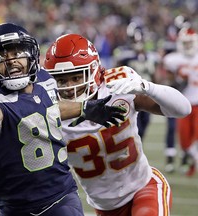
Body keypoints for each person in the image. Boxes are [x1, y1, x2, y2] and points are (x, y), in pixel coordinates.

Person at [0, 23, 126, 216]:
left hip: (60, 196)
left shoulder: (45, 79)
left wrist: (84, 108)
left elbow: (48, 108)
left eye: (17, 52)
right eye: (3, 55)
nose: (12, 60)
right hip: (12, 205)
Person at [43, 34, 191, 216]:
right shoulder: (49, 111)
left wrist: (147, 87)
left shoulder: (117, 86)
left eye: (75, 77)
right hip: (104, 207)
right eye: (61, 80)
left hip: (144, 188)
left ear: (93, 71)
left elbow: (183, 109)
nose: (68, 86)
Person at [163, 27, 198, 176]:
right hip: (183, 105)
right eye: (185, 43)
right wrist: (176, 82)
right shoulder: (173, 59)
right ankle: (192, 161)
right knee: (185, 143)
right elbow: (168, 81)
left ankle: (193, 165)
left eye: (190, 42)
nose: (188, 46)